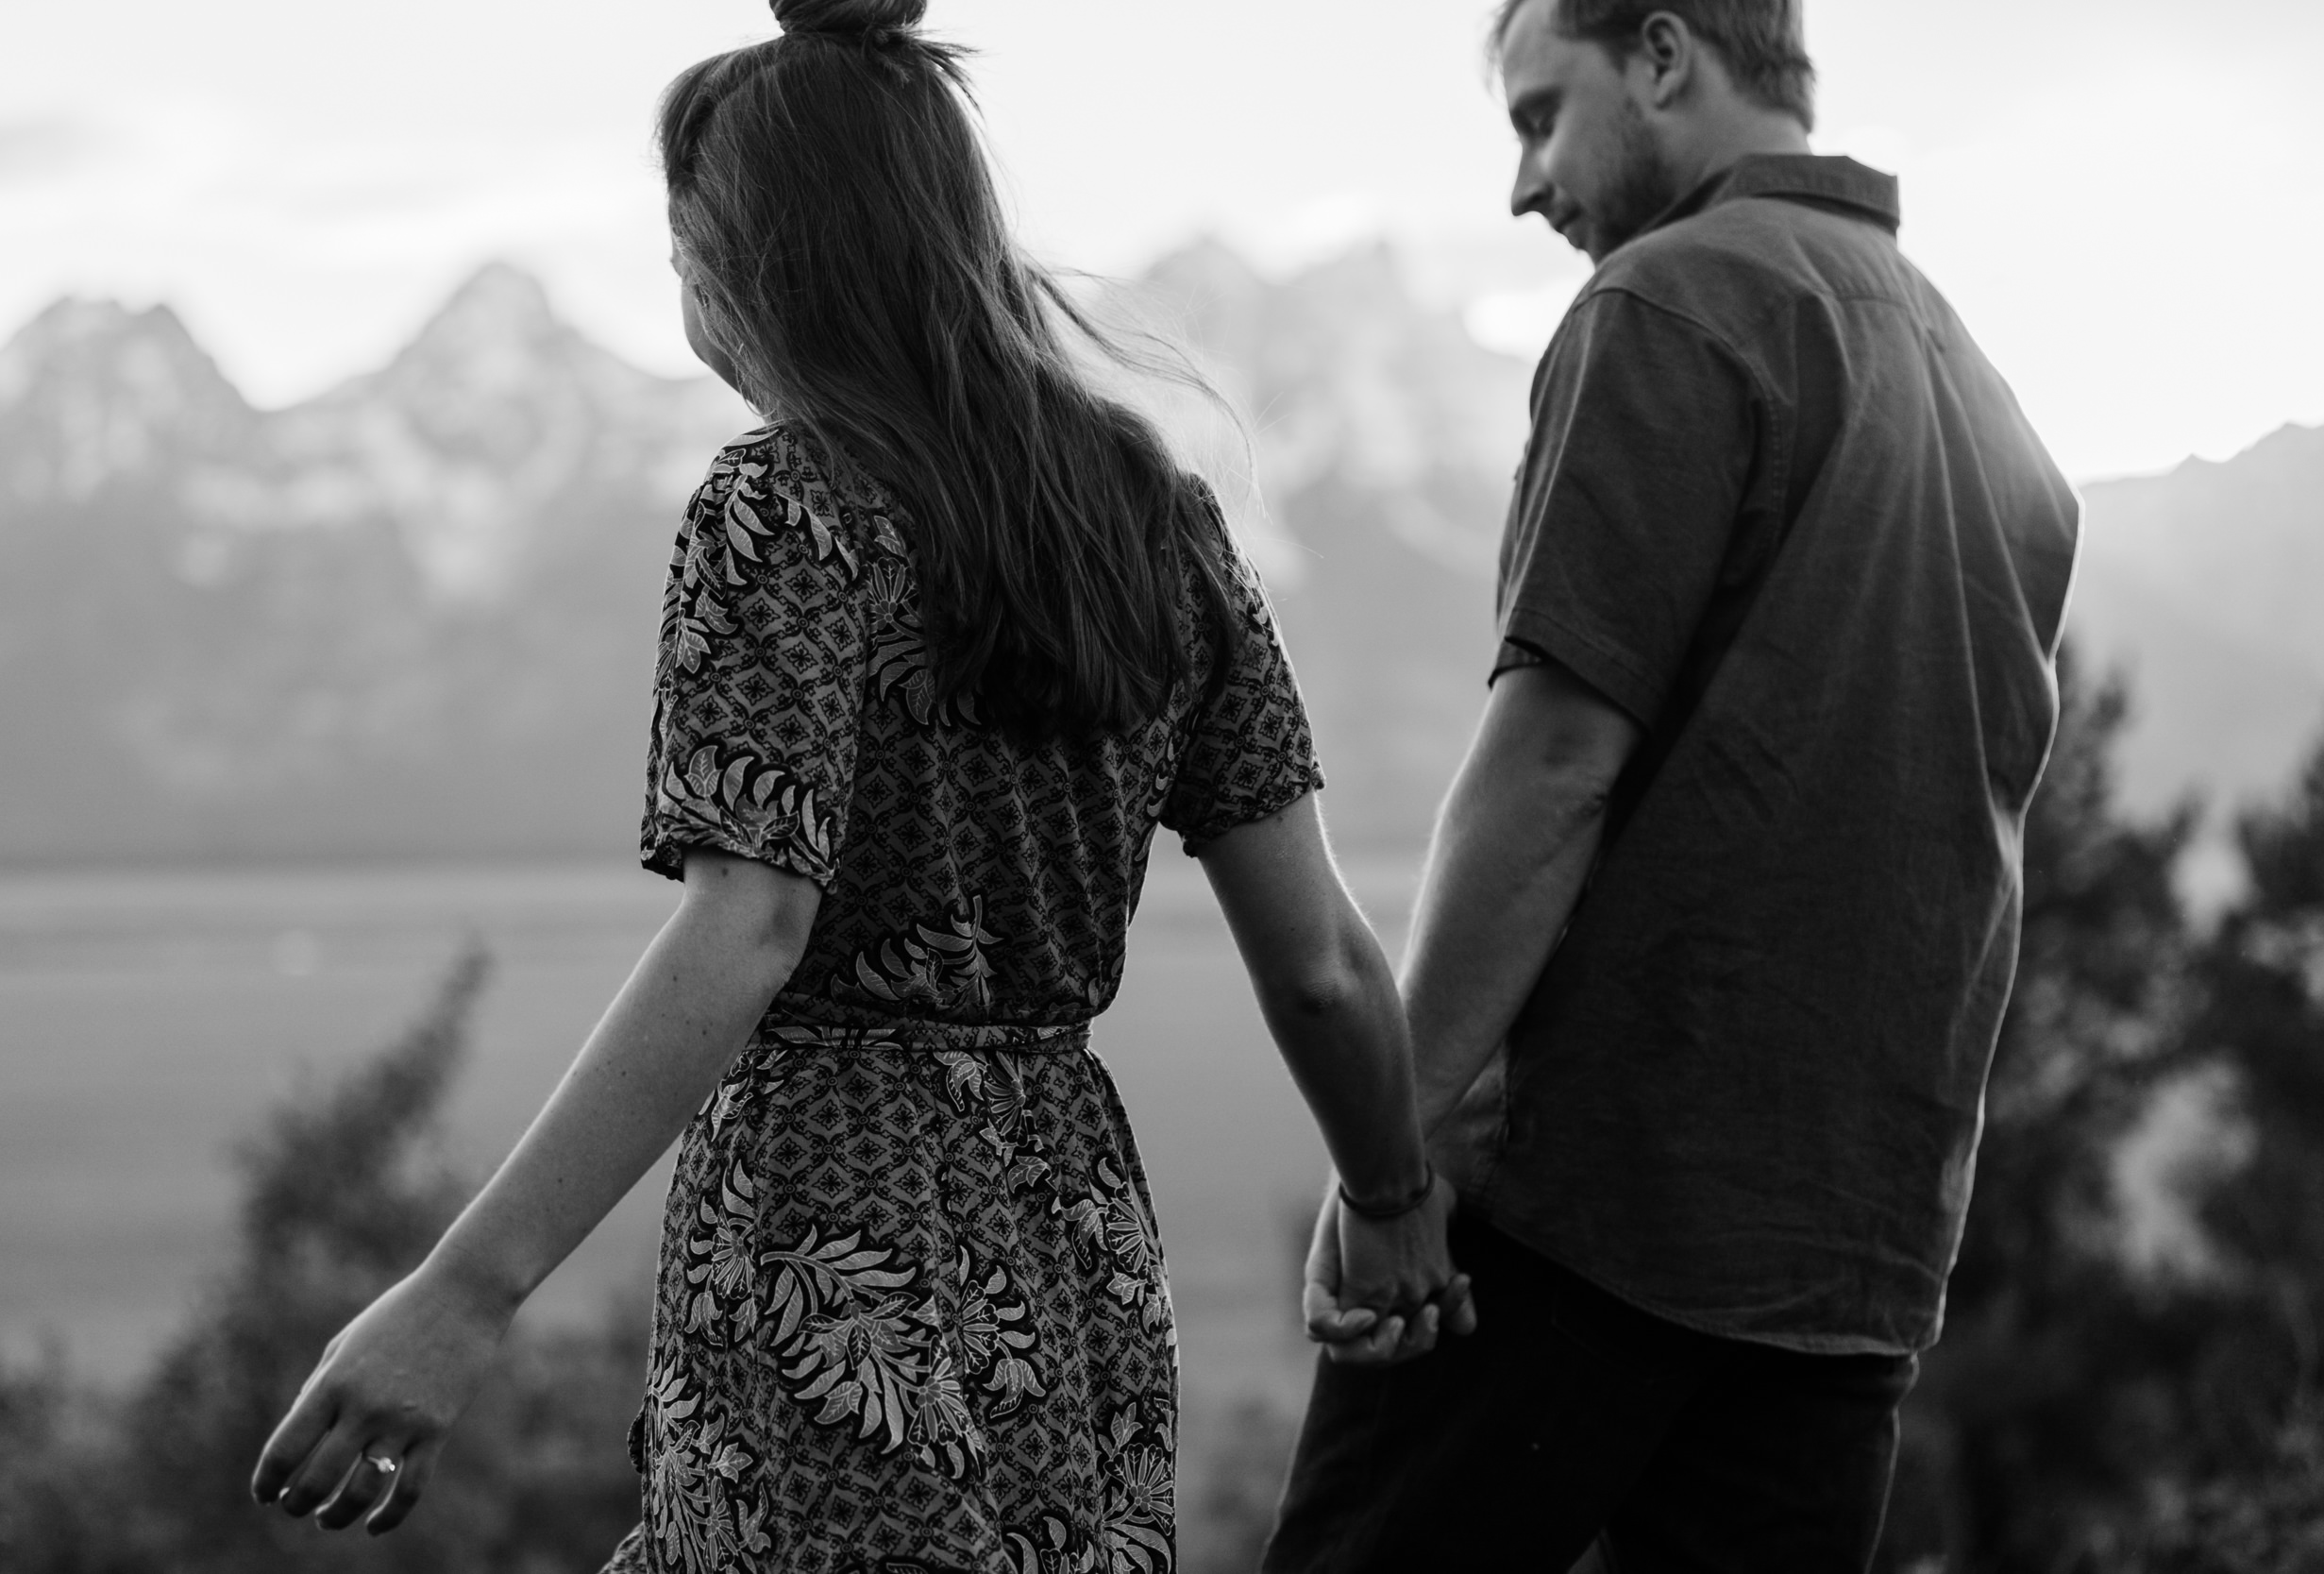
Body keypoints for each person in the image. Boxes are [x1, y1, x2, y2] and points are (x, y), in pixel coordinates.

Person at [246, 2, 1471, 1568]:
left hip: (831, 1246)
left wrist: (463, 1291)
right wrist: (1392, 1192)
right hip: (1071, 1236)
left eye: (686, 246)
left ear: (767, 260)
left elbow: (749, 923)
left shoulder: (781, 504)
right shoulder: (1163, 530)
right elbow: (1321, 963)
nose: (681, 288)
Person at [1268, 1, 2080, 1570]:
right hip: (1854, 1261)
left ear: (1659, 55)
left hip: (1591, 1214)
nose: (1524, 186)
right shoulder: (1997, 410)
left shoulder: (1672, 304)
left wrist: (1393, 1151)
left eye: (1537, 116)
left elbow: (1555, 764)